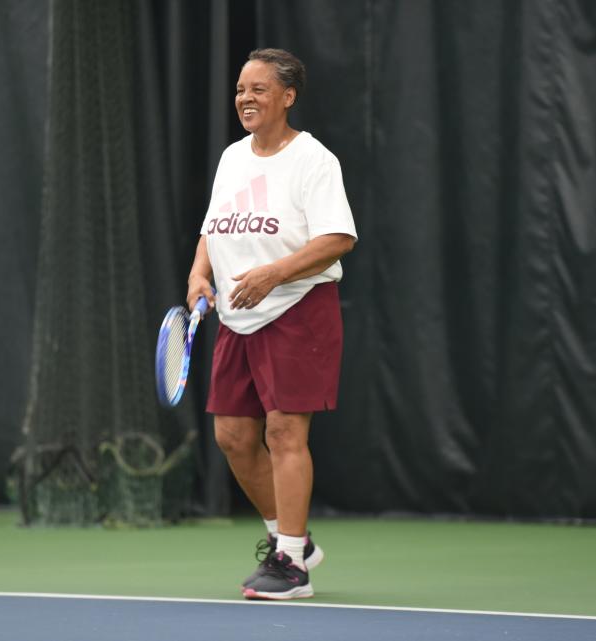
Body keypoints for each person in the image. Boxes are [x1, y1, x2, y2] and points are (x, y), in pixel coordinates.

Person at [186, 48, 357, 600]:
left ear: (288, 96)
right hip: (237, 315)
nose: (245, 98)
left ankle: (290, 566)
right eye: (240, 88)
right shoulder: (233, 158)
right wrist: (197, 276)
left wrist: (274, 274)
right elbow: (212, 229)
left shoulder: (315, 161)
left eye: (259, 89)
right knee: (234, 437)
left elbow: (338, 238)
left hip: (297, 309)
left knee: (284, 432)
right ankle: (292, 538)